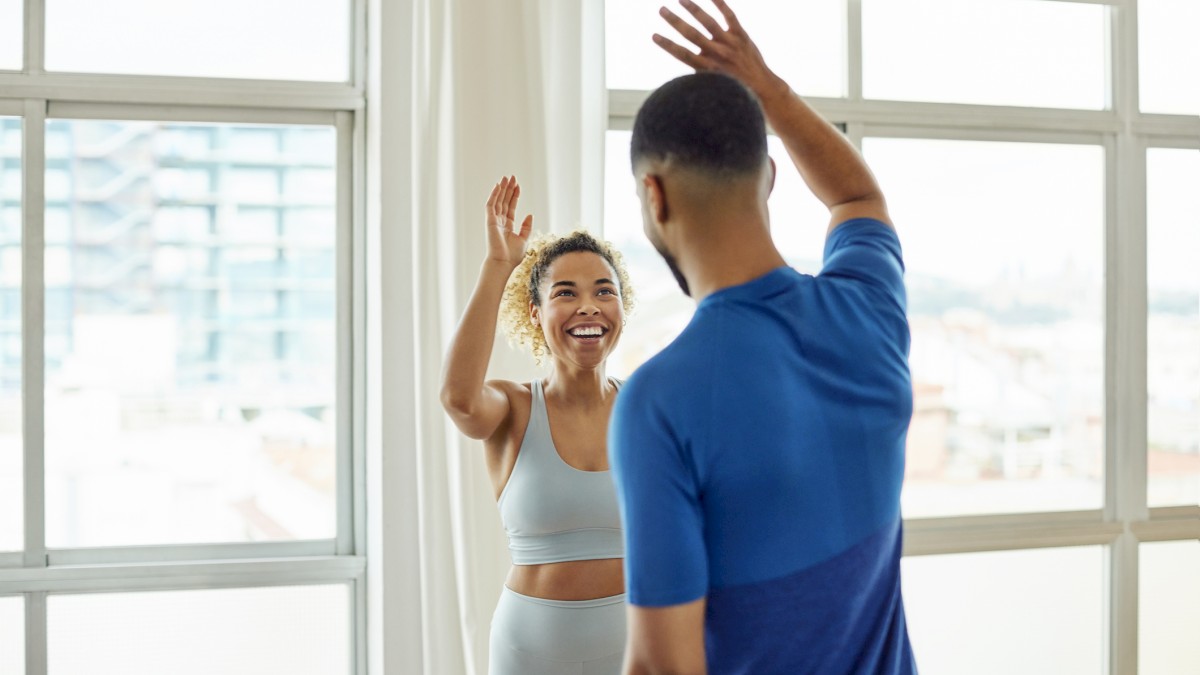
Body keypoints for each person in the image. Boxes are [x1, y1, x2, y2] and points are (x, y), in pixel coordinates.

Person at [608, 1, 918, 673]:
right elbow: (857, 198)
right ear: (771, 178)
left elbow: (664, 666)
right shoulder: (870, 313)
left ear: (653, 197)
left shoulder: (658, 402)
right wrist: (767, 86)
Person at [440, 176, 636, 674]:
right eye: (565, 293)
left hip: (638, 646)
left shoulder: (646, 406)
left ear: (620, 310)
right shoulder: (513, 407)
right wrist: (498, 265)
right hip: (531, 652)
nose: (588, 306)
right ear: (537, 313)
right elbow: (459, 399)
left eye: (603, 291)